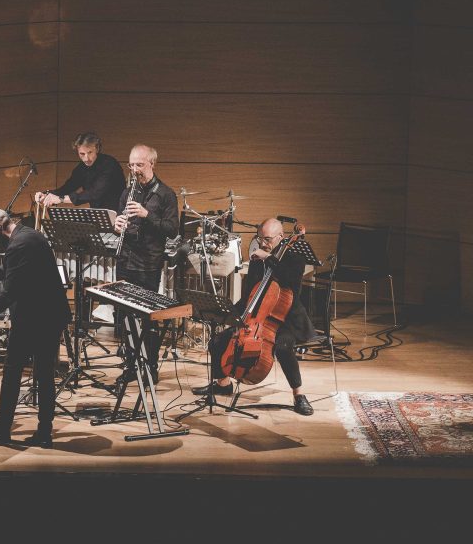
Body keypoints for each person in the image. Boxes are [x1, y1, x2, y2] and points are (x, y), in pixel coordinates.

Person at [0, 209, 71, 448]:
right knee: (44, 375)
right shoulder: (28, 234)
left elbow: (10, 291)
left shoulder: (19, 245)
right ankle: (44, 432)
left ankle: (2, 432)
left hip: (35, 318)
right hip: (50, 314)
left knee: (12, 374)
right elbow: (9, 270)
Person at [192, 218, 316, 415]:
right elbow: (250, 294)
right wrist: (229, 314)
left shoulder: (294, 257)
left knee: (283, 347)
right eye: (260, 239)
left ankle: (298, 395)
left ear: (280, 237)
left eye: (267, 239)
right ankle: (222, 383)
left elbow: (290, 282)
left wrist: (268, 257)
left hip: (287, 319)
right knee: (217, 341)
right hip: (258, 318)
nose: (263, 244)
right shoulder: (258, 262)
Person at [113, 144, 179, 382]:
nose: (134, 169)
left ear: (152, 163)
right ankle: (130, 366)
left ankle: (150, 367)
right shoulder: (127, 192)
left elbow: (172, 230)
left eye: (139, 165)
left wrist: (146, 215)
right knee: (125, 318)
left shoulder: (166, 194)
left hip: (148, 264)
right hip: (125, 261)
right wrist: (117, 224)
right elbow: (120, 218)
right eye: (131, 164)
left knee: (147, 318)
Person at [35, 132, 125, 213]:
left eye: (90, 152)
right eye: (82, 154)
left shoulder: (109, 165)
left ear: (97, 149)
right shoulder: (82, 168)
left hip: (118, 215)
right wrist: (47, 194)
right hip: (98, 214)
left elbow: (94, 193)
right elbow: (68, 187)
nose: (86, 158)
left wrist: (60, 199)